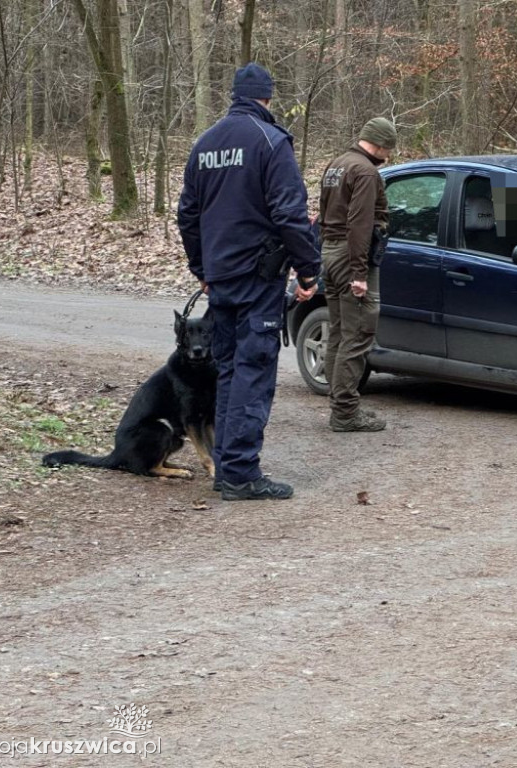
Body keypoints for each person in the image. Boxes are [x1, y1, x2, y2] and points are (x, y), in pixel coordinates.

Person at [178, 63, 320, 501]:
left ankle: (228, 467)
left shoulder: (204, 145)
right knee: (253, 373)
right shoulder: (271, 143)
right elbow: (290, 215)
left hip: (220, 278)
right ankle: (240, 473)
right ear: (268, 99)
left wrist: (202, 268)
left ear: (234, 96)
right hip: (258, 279)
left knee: (228, 371)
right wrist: (309, 267)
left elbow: (188, 215)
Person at [318, 117, 397, 432]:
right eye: (387, 150)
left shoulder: (337, 165)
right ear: (378, 144)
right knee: (359, 333)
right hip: (350, 257)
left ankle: (339, 405)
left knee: (338, 331)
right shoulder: (365, 171)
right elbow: (360, 224)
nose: (388, 157)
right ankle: (346, 413)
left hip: (330, 252)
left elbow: (324, 215)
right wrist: (359, 273)